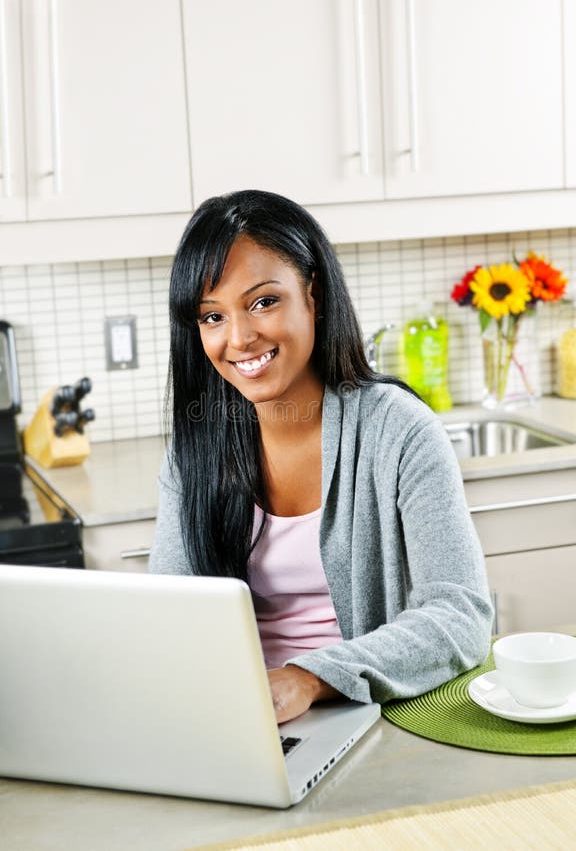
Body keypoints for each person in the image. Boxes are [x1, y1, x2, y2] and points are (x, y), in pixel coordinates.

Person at [149, 189, 493, 724]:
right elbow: (168, 617)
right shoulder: (192, 450)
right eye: (211, 317)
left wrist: (309, 678)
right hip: (237, 716)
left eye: (263, 301)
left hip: (366, 710)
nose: (239, 338)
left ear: (314, 295)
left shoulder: (399, 431)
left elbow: (461, 615)